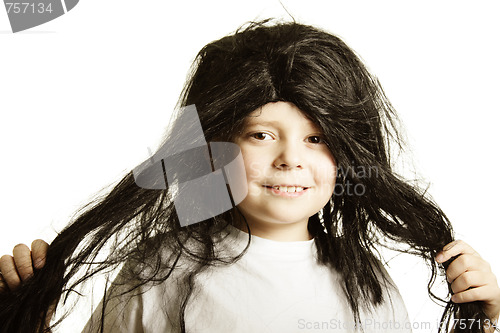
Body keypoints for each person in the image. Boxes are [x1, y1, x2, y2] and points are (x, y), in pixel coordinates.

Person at [0, 19, 499, 333]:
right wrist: (21, 316)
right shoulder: (159, 271)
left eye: (317, 138)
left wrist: (488, 314)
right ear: (215, 149)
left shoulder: (367, 282)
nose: (290, 160)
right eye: (261, 135)